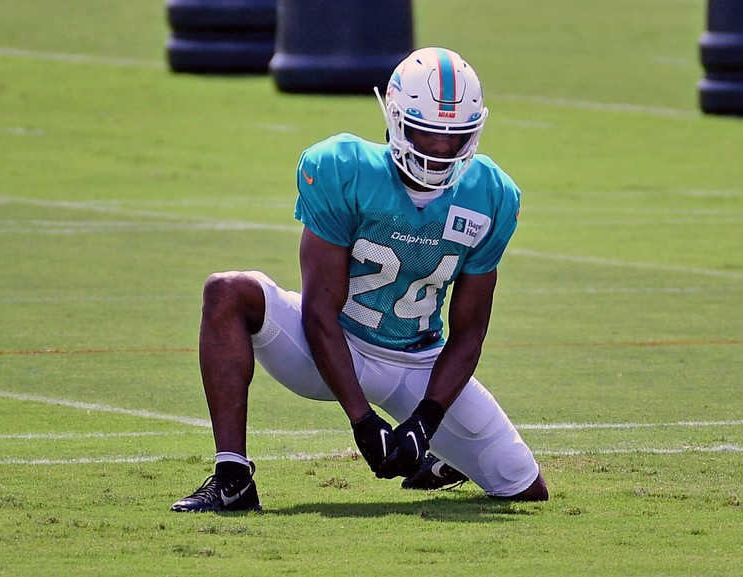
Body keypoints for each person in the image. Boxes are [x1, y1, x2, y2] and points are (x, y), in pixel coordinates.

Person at [171, 47, 548, 512]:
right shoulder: (343, 169)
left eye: (453, 138)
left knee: (524, 486)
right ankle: (232, 478)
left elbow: (470, 330)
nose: (438, 151)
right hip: (329, 346)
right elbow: (318, 312)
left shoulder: (491, 194)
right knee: (227, 291)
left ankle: (443, 458)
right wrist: (363, 422)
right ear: (394, 118)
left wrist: (427, 420)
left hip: (417, 359)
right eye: (426, 134)